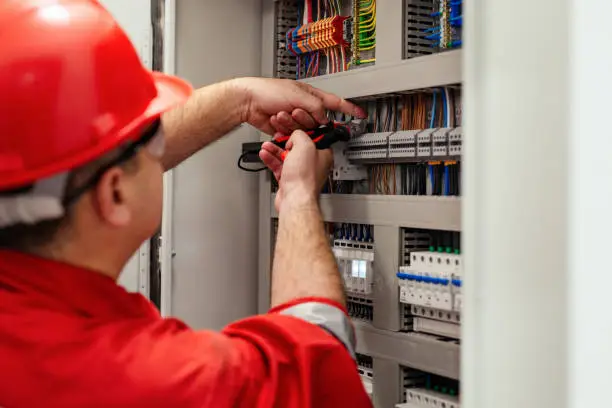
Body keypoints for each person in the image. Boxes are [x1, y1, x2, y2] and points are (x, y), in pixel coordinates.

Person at [0, 1, 373, 407]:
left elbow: (74, 158)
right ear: (114, 193)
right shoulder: (146, 380)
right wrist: (298, 195)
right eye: (153, 138)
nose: (162, 145)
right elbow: (320, 368)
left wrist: (241, 99)